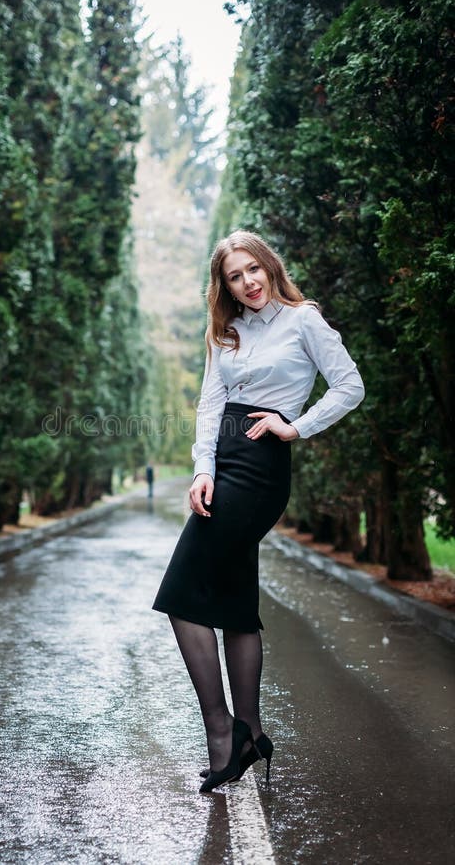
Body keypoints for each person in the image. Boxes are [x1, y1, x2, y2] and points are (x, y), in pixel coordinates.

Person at [152, 230, 364, 793]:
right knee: (237, 603)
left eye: (253, 270)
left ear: (269, 267)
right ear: (223, 285)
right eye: (233, 276)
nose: (247, 283)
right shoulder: (226, 333)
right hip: (223, 465)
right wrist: (202, 468)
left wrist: (294, 426)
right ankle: (249, 731)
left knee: (181, 595)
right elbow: (210, 405)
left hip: (261, 469)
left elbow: (350, 385)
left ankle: (222, 733)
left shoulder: (303, 321)